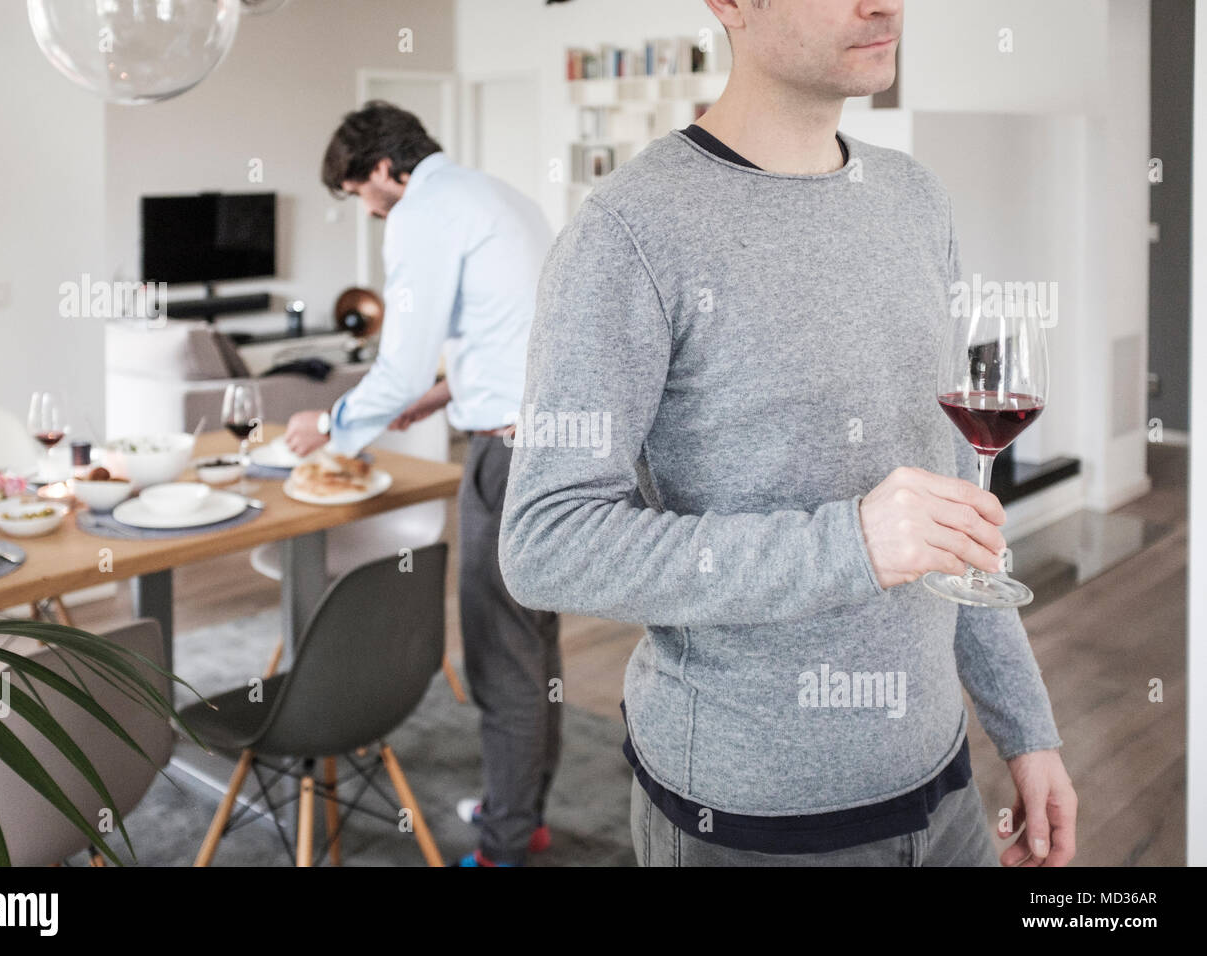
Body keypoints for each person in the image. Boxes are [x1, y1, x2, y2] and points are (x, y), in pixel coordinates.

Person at [498, 0, 1077, 866]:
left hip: (946, 790)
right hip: (750, 826)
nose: (884, 3)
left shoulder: (915, 197)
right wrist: (851, 544)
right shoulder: (630, 229)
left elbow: (959, 511)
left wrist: (1027, 729)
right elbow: (544, 543)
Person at [284, 101, 561, 867]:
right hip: (554, 445)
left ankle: (502, 847)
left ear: (381, 170)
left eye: (358, 196)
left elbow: (398, 361)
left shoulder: (420, 211)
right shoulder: (501, 196)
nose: (367, 212)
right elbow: (522, 329)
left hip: (503, 455)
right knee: (535, 641)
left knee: (497, 653)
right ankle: (523, 814)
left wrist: (330, 424)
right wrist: (442, 394)